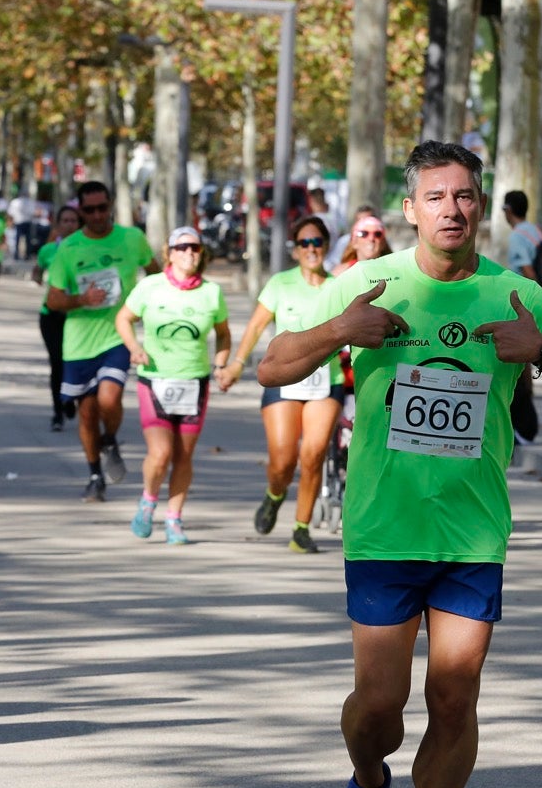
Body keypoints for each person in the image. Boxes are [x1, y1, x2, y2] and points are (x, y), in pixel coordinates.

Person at [258, 140, 542, 788]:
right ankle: (366, 781)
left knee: (455, 696)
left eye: (463, 196)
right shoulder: (370, 283)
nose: (451, 209)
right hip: (385, 528)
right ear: (410, 208)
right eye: (436, 197)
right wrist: (338, 334)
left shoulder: (516, 296)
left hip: (472, 534)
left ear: (479, 204)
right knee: (378, 709)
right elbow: (272, 365)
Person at [221, 216, 342, 554]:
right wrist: (236, 364)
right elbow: (257, 326)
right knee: (283, 460)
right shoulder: (281, 283)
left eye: (317, 242)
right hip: (285, 379)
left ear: (326, 246)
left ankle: (301, 530)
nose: (311, 249)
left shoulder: (339, 286)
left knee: (314, 453)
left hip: (324, 380)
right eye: (304, 243)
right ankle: (275, 494)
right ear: (295, 249)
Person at [115, 226, 232, 545]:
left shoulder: (211, 292)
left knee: (183, 456)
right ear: (169, 253)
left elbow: (222, 332)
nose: (189, 253)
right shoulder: (150, 287)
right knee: (161, 452)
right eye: (181, 248)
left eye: (194, 247)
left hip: (195, 381)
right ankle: (148, 500)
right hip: (155, 379)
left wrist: (221, 364)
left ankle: (174, 518)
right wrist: (134, 348)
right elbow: (123, 318)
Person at [44, 180, 160, 502]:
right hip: (79, 343)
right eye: (90, 209)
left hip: (117, 337)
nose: (97, 215)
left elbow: (155, 274)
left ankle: (110, 439)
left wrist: (156, 308)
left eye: (102, 208)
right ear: (81, 211)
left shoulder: (132, 239)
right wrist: (81, 299)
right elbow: (53, 300)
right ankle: (95, 474)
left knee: (109, 399)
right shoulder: (68, 248)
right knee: (87, 413)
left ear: (110, 206)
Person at [32, 204, 82, 431]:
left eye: (74, 221)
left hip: (79, 316)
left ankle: (70, 398)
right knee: (57, 362)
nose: (70, 225)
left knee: (74, 361)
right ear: (58, 225)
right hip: (51, 315)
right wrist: (43, 281)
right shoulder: (49, 250)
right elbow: (37, 270)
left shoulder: (87, 250)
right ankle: (58, 412)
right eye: (66, 221)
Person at [502, 189, 542, 281]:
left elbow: (528, 272)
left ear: (508, 210)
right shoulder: (536, 230)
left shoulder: (517, 236)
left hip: (527, 292)